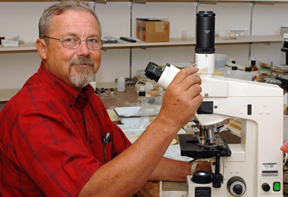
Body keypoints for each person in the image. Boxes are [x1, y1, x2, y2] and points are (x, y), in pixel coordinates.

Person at [0, 1, 203, 196]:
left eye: (92, 40)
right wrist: (167, 122)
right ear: (43, 48)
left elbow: (134, 160)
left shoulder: (87, 98)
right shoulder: (31, 113)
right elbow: (92, 193)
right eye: (70, 40)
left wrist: (197, 170)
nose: (85, 51)